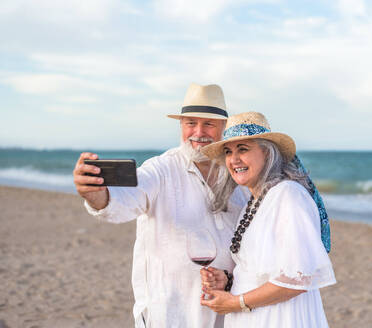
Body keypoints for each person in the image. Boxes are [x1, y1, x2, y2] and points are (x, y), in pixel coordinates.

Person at [72, 83, 248, 328]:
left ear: (223, 128)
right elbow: (123, 200)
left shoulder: (238, 174)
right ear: (181, 126)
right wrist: (94, 193)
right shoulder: (160, 169)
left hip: (227, 314)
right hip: (170, 314)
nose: (199, 132)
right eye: (190, 123)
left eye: (208, 123)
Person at [199, 112, 336, 327]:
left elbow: (298, 279)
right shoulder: (253, 202)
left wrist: (237, 302)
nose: (234, 160)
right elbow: (263, 271)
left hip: (280, 318)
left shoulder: (288, 195)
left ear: (267, 153)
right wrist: (229, 281)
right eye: (228, 151)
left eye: (243, 149)